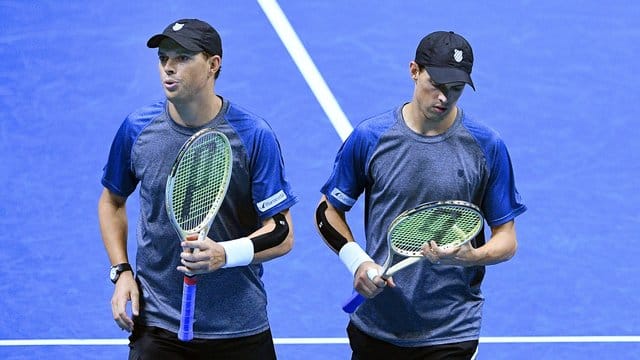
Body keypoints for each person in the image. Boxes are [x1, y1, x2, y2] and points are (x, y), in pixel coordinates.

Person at [314, 31, 527, 359]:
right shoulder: (371, 138)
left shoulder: (486, 146)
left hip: (451, 329)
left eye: (456, 89)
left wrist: (473, 256)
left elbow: (507, 238)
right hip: (378, 323)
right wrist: (358, 262)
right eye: (437, 85)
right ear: (414, 70)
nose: (445, 97)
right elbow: (327, 210)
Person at [98, 18, 298, 359]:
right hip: (159, 326)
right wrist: (122, 272)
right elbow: (112, 202)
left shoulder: (252, 136)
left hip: (239, 328)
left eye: (182, 58)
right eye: (163, 59)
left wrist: (223, 254)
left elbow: (282, 233)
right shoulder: (138, 129)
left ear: (213, 65)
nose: (169, 68)